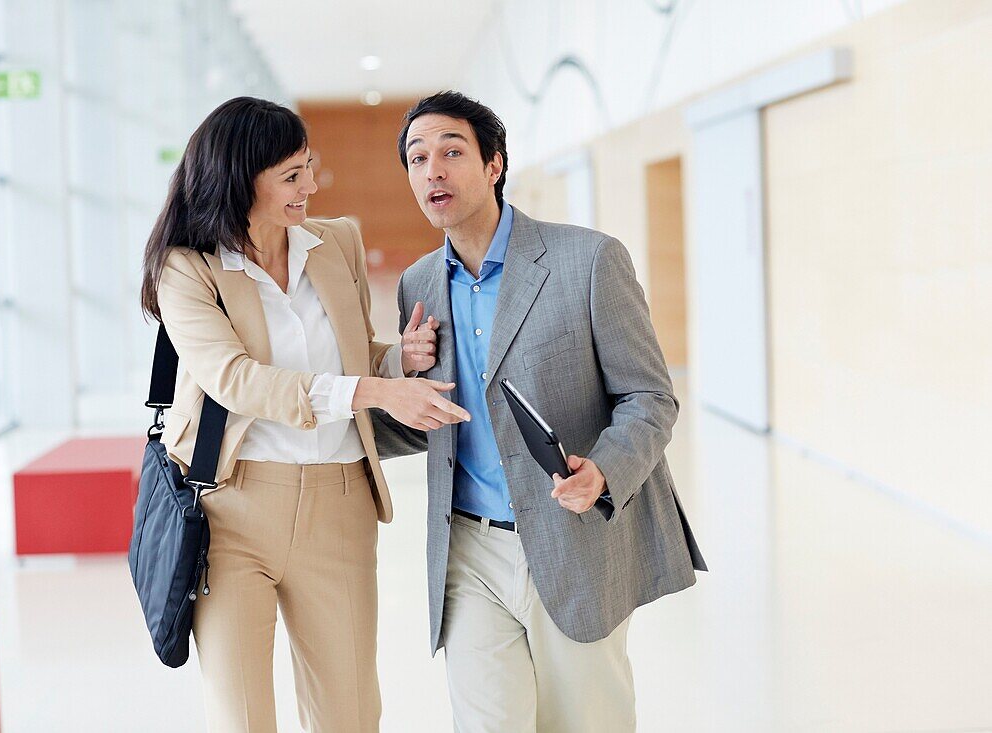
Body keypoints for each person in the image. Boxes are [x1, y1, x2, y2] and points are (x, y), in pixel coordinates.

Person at [373, 91, 707, 732]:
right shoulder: (419, 285)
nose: (433, 171)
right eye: (417, 159)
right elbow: (423, 421)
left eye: (451, 152)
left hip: (569, 537)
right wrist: (397, 375)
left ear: (494, 163)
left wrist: (604, 470)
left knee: (585, 721)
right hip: (467, 547)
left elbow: (650, 397)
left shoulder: (588, 261)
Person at [139, 96, 470, 733]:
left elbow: (347, 355)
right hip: (231, 509)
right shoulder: (188, 267)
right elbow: (234, 379)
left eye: (308, 168)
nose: (310, 187)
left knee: (349, 714)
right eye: (292, 176)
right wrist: (369, 393)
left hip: (340, 504)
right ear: (241, 182)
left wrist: (395, 358)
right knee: (241, 718)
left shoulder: (335, 241)